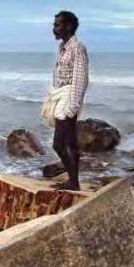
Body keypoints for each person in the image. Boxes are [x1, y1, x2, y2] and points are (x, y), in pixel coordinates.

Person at [44, 11, 89, 191]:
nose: (54, 28)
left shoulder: (77, 48)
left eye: (57, 25)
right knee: (70, 143)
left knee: (58, 144)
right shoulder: (64, 47)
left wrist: (72, 107)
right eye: (55, 25)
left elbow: (80, 79)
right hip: (61, 95)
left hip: (68, 98)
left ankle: (73, 181)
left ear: (69, 26)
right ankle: (74, 182)